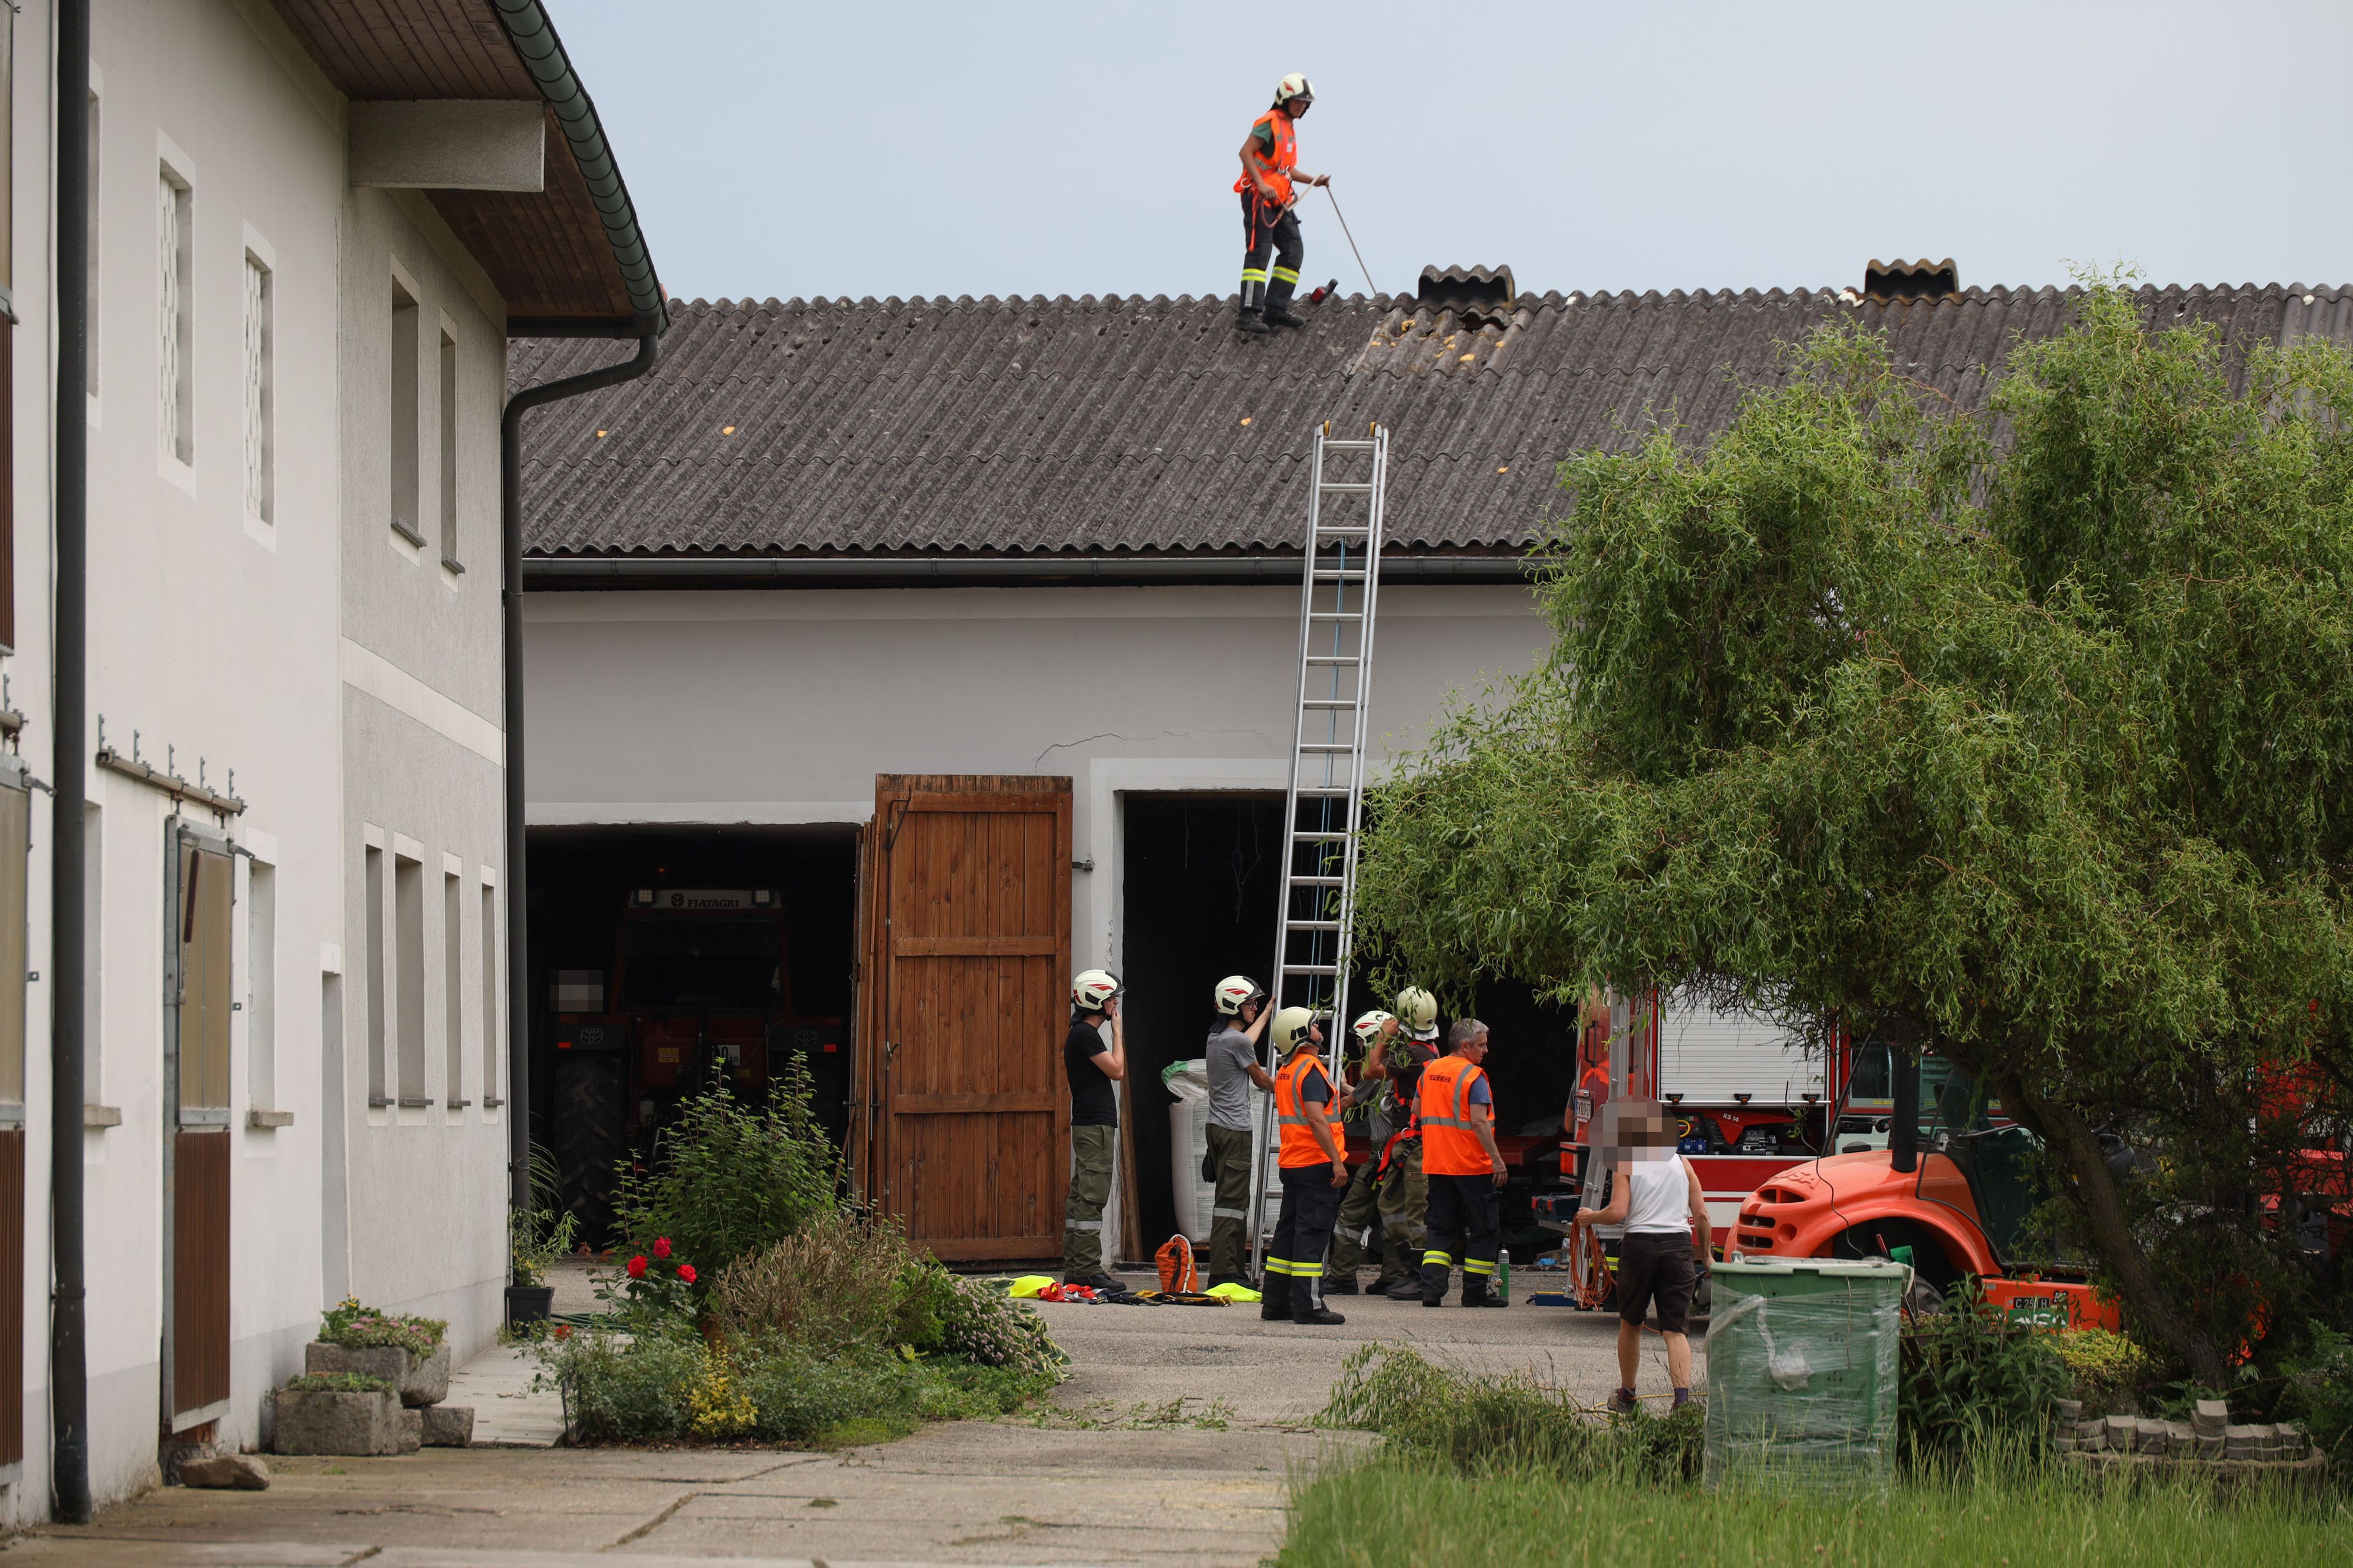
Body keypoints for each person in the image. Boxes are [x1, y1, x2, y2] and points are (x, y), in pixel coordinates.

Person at [1574, 1099, 1711, 1410]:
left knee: (1631, 1324)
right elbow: (1701, 1216)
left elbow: (1618, 1212)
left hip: (1640, 1248)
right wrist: (1709, 1257)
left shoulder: (1627, 1164)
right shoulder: (1683, 1164)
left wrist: (1590, 1217)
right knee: (1676, 1331)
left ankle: (1628, 1394)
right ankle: (1682, 1401)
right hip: (1678, 1248)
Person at [1261, 1006, 1349, 1324]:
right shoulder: (1310, 1069)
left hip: (1294, 1164)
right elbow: (1316, 1118)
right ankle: (1309, 1307)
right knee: (1312, 1235)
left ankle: (1275, 1303)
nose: (1320, 1030)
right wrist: (1337, 1162)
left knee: (1287, 1235)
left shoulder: (1287, 1071)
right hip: (1316, 1164)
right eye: (1314, 1026)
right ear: (1301, 1035)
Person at [1417, 1018, 1508, 1307]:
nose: (1486, 1051)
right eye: (1481, 1045)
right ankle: (1476, 1293)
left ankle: (1431, 1291)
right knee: (1484, 1228)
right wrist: (1497, 1162)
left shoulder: (1430, 1070)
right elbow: (1480, 1122)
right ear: (1465, 1046)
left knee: (1440, 1228)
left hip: (1438, 1163)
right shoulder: (1473, 1076)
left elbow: (1418, 1110)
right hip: (1473, 1165)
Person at [1232, 73, 1328, 335]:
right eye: (1298, 101)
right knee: (1259, 252)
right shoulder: (1269, 123)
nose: (1302, 107)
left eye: (1305, 103)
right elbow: (1245, 152)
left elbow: (1285, 170)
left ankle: (1275, 308)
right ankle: (1248, 314)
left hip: (1281, 201)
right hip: (1259, 198)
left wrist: (1314, 181)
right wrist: (1261, 185)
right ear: (1284, 100)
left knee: (1293, 249)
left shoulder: (1288, 127)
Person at [1202, 974, 1275, 1289]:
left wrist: (1267, 1012)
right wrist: (1292, 1086)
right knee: (1232, 1204)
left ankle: (1234, 1271)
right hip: (1236, 1131)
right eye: (1250, 1003)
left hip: (1217, 1128)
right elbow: (1261, 1080)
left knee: (1230, 1199)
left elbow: (1248, 1040)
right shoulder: (1238, 1042)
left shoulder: (1218, 1038)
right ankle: (1223, 1273)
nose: (1255, 1007)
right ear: (1234, 1006)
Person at [1320, 1009, 1397, 1295]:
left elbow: (1351, 1101)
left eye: (1362, 1041)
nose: (1360, 1047)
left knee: (1355, 1215)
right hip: (1387, 1157)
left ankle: (1343, 1276)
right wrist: (1343, 1087)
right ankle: (1393, 1277)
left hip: (1388, 1158)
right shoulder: (1390, 1069)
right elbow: (1365, 1094)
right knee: (1388, 1218)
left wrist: (1315, 1109)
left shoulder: (1380, 1070)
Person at [1374, 986, 1442, 1299]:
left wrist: (1382, 1036)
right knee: (1390, 1204)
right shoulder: (1427, 1050)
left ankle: (1420, 1278)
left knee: (1415, 1212)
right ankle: (1412, 1271)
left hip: (1415, 1144)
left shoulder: (1412, 1053)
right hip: (1409, 1142)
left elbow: (1370, 1069)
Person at [1063, 968, 1126, 1290]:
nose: (1116, 1004)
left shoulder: (1078, 1033)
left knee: (1080, 1197)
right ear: (1098, 1000)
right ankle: (1087, 1269)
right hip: (1095, 1127)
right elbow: (1117, 1070)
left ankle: (1076, 1267)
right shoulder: (1086, 1034)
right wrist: (1117, 1032)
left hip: (1088, 1124)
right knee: (1092, 1197)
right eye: (1113, 998)